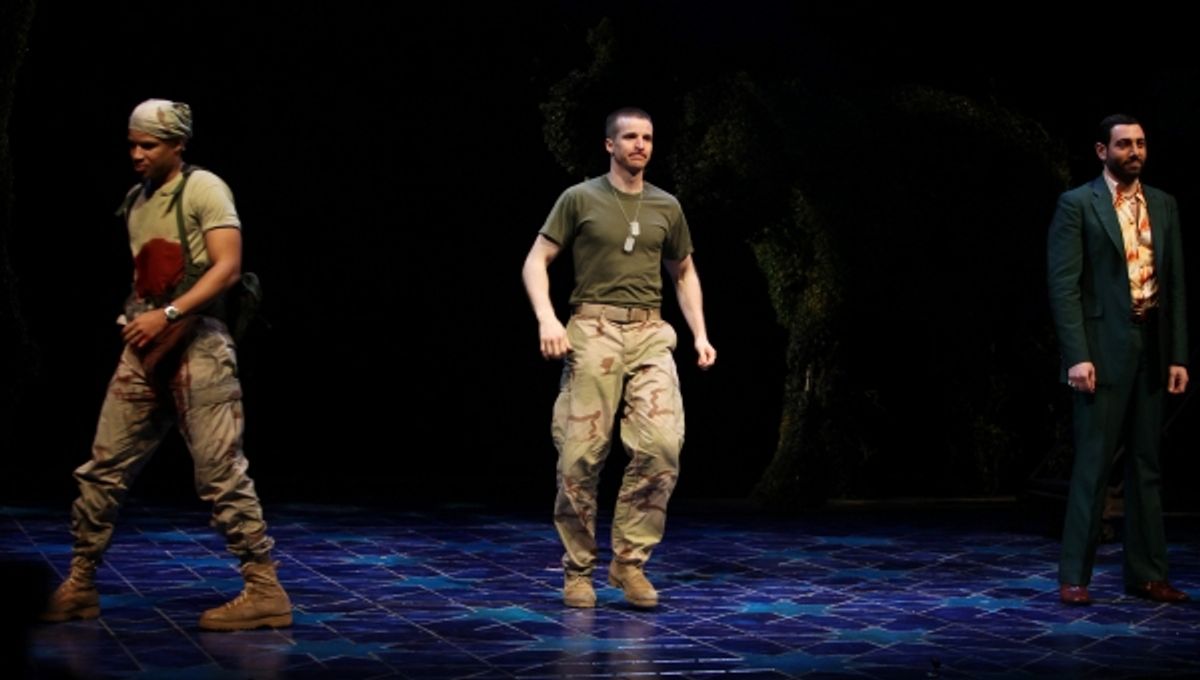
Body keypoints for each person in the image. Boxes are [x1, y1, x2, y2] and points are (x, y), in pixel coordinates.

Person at [40, 99, 292, 630]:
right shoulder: (136, 198)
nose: (136, 154)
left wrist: (170, 313)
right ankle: (81, 582)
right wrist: (144, 320)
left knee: (220, 474)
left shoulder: (204, 189)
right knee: (102, 469)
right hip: (145, 348)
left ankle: (265, 590)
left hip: (199, 344)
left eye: (148, 145)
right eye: (132, 144)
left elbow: (228, 267)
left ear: (178, 145)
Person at [522, 107, 716, 608]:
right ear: (610, 144)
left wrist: (699, 334)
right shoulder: (580, 198)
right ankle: (578, 570)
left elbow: (684, 271)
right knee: (580, 456)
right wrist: (547, 319)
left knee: (662, 445)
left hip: (651, 330)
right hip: (593, 329)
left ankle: (629, 563)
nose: (640, 145)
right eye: (629, 136)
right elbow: (536, 260)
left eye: (647, 137)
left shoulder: (666, 206)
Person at [1047, 114, 1189, 605]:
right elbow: (1064, 286)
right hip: (1102, 349)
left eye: (1141, 143)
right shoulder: (1077, 205)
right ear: (1102, 151)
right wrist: (1077, 356)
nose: (1135, 151)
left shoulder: (1164, 205)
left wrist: (1178, 356)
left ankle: (1148, 573)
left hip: (1151, 346)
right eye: (1124, 144)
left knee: (1147, 466)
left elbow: (1175, 287)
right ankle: (1075, 576)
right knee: (1093, 464)